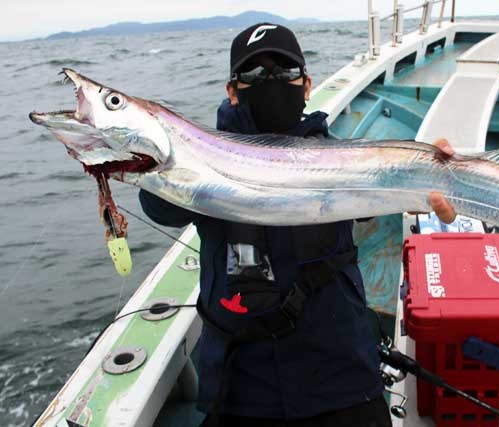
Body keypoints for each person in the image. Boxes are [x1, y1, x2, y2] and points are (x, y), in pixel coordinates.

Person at [139, 22, 456, 427]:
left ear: (307, 86)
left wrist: (434, 171)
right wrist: (145, 161)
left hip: (340, 373)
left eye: (285, 73)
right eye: (253, 75)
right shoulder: (203, 160)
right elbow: (159, 205)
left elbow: (384, 192)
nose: (271, 82)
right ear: (232, 92)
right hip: (240, 383)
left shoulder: (340, 158)